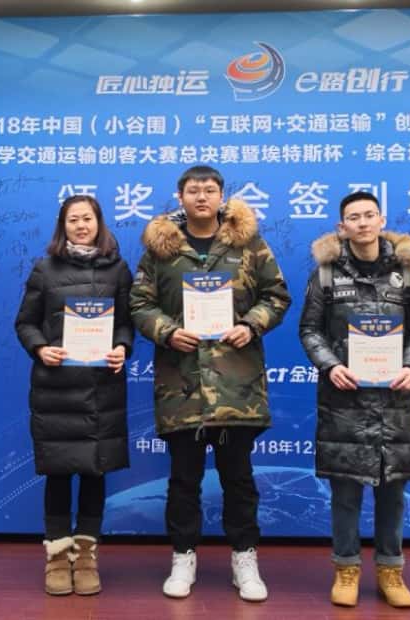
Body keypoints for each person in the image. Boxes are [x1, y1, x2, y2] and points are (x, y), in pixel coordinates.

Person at [130, 165, 291, 602]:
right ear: (180, 197)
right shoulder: (160, 250)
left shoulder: (249, 244)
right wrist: (167, 331)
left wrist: (251, 325)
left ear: (222, 196)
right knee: (184, 480)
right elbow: (139, 303)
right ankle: (183, 557)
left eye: (209, 190)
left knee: (239, 479)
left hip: (237, 386)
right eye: (193, 190)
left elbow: (277, 296)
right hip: (181, 385)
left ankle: (245, 558)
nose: (201, 197)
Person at [298, 191, 410, 609]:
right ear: (342, 227)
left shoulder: (407, 272)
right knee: (345, 492)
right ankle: (346, 568)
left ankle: (391, 570)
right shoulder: (325, 274)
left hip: (396, 398)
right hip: (345, 398)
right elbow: (310, 329)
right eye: (353, 217)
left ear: (381, 220)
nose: (362, 223)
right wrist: (329, 366)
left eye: (368, 215)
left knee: (393, 491)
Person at [15, 194, 133, 596]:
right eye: (72, 220)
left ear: (99, 223)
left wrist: (122, 347)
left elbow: (126, 322)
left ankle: (85, 558)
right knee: (59, 472)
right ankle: (56, 556)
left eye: (87, 219)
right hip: (55, 387)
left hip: (101, 388)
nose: (81, 226)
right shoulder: (44, 268)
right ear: (62, 226)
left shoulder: (118, 268)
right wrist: (39, 348)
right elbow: (25, 323)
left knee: (95, 471)